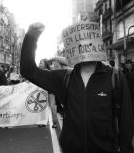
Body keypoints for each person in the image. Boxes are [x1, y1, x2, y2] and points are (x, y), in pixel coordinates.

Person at [20, 22, 133, 153]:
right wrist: (32, 36)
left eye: (89, 43)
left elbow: (126, 120)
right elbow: (28, 70)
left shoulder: (115, 77)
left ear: (97, 44)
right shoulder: (64, 78)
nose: (85, 47)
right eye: (80, 44)